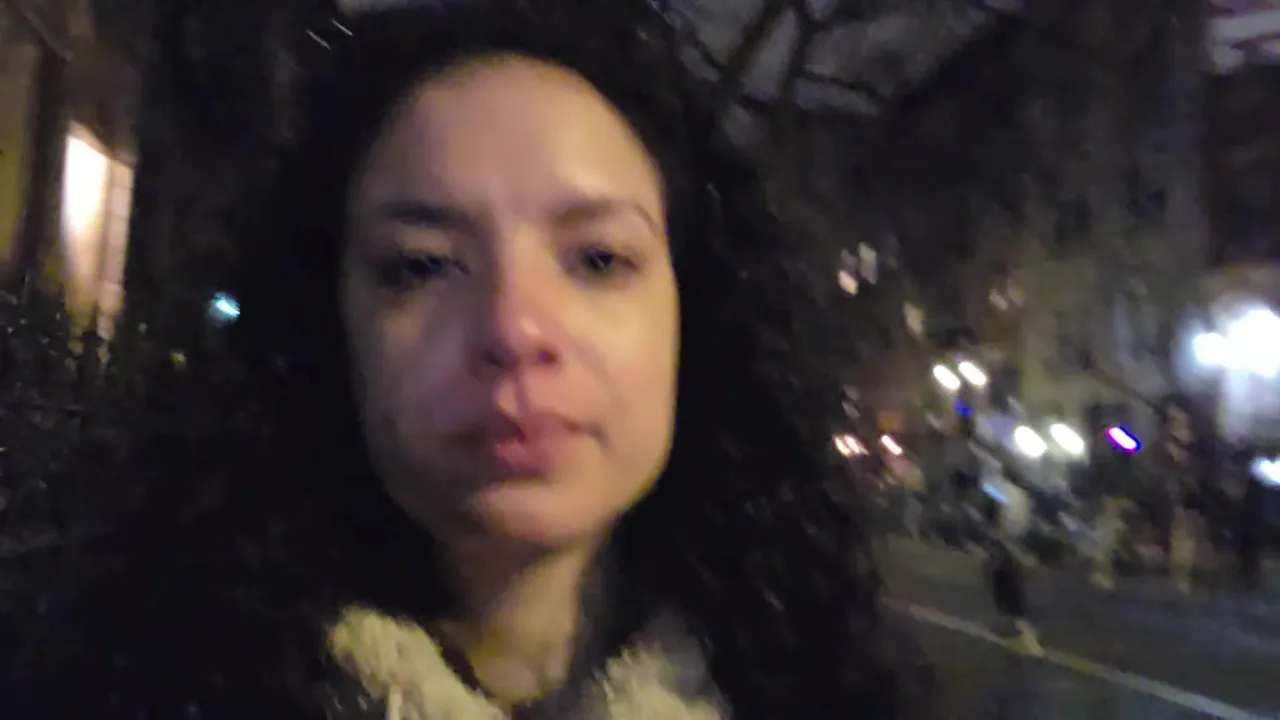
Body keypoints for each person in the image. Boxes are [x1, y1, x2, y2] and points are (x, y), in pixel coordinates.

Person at [13, 2, 930, 718]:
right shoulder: (126, 681)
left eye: (598, 260)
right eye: (421, 265)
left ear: (693, 314)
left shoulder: (815, 683)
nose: (514, 327)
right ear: (328, 321)